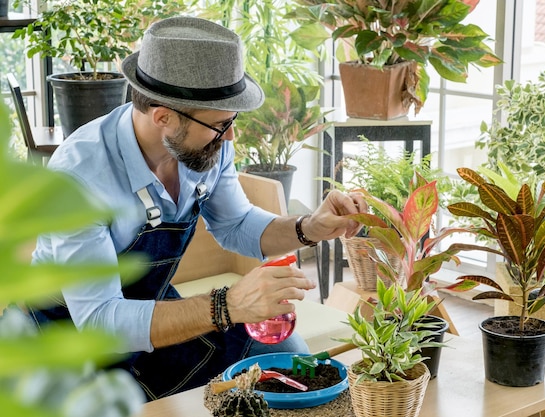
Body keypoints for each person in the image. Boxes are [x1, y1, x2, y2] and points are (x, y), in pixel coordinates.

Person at [29, 16, 366, 400]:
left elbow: (236, 224)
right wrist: (229, 304)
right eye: (221, 124)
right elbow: (100, 322)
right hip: (72, 340)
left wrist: (309, 227)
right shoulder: (77, 178)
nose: (232, 135)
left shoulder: (206, 144)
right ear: (163, 117)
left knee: (284, 357)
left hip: (151, 314)